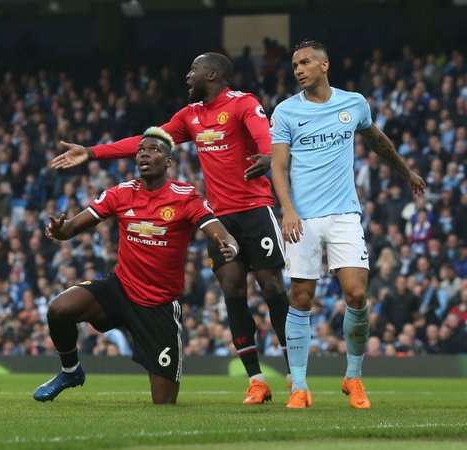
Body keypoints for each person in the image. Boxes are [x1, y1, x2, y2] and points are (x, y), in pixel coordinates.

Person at [51, 52, 289, 404]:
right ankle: (256, 380)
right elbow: (148, 143)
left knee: (271, 286)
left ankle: (294, 373)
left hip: (255, 208)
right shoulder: (189, 116)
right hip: (220, 214)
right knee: (233, 292)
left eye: (192, 70)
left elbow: (262, 134)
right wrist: (92, 152)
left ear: (211, 74)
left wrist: (270, 155)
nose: (186, 76)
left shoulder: (242, 104)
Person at [270, 39, 426, 409]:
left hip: (343, 214)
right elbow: (278, 165)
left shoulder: (354, 104)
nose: (299, 69)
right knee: (301, 298)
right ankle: (300, 386)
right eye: (295, 65)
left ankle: (353, 377)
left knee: (356, 295)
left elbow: (378, 141)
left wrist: (407, 173)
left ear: (325, 65)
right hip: (302, 218)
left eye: (305, 62)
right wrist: (287, 210)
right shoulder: (286, 111)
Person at [34, 127, 239, 404]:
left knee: (163, 404)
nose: (144, 153)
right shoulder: (120, 193)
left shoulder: (185, 196)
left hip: (157, 304)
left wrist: (230, 244)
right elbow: (71, 228)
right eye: (141, 149)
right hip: (121, 288)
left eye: (153, 149)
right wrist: (60, 231)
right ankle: (70, 371)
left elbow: (218, 230)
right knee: (59, 308)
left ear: (168, 162)